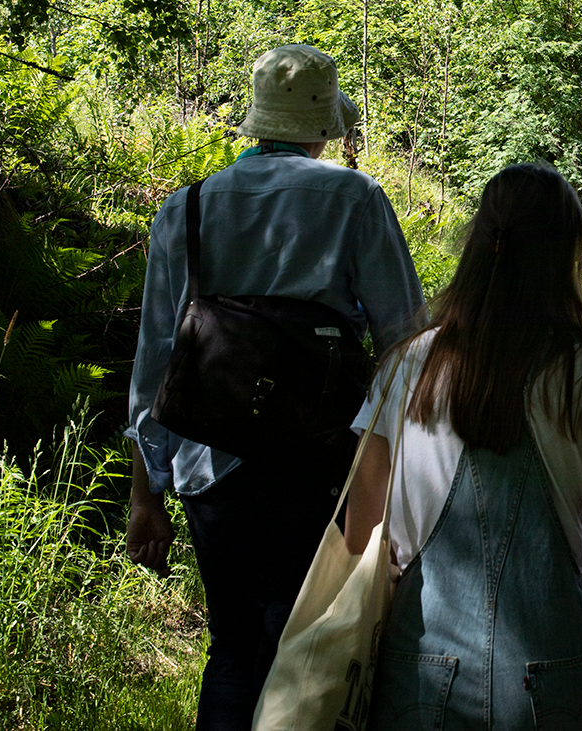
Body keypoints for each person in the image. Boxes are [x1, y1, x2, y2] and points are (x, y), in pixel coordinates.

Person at [125, 44, 424, 731]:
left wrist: (147, 495)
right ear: (323, 125)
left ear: (258, 120)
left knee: (231, 649)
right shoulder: (355, 198)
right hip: (321, 466)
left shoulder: (187, 209)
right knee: (309, 647)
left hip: (208, 466)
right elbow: (406, 342)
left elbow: (154, 366)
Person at [344, 163, 582, 731]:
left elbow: (364, 541)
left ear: (478, 246)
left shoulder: (407, 365)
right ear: (567, 257)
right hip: (555, 679)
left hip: (418, 677)